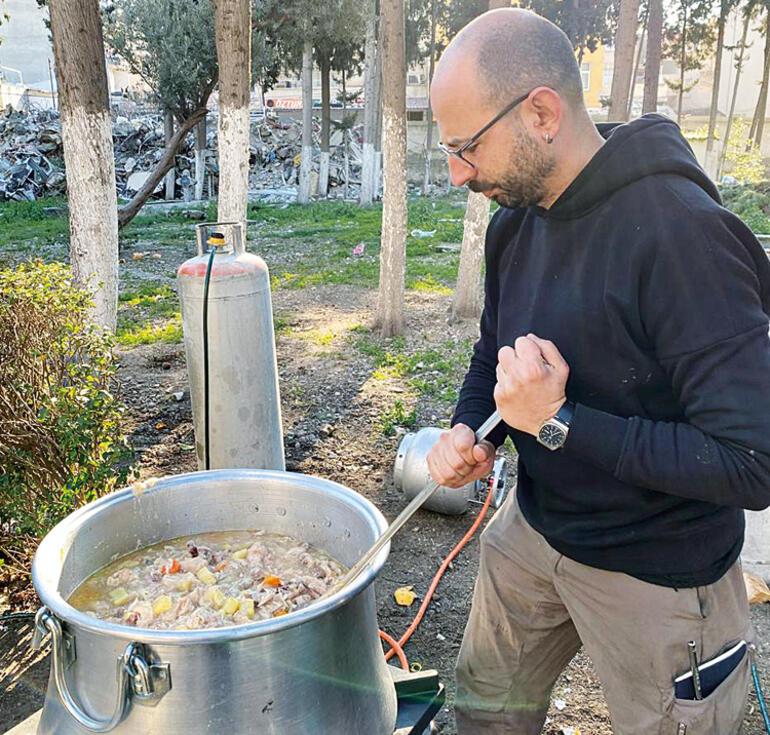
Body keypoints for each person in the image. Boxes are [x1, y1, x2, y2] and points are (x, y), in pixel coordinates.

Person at [426, 8, 770, 735]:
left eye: (466, 147)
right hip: (536, 532)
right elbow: (495, 347)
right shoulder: (515, 218)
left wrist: (558, 423)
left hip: (659, 573)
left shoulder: (684, 238)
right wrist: (470, 428)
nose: (459, 173)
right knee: (486, 706)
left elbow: (751, 461)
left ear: (542, 113)